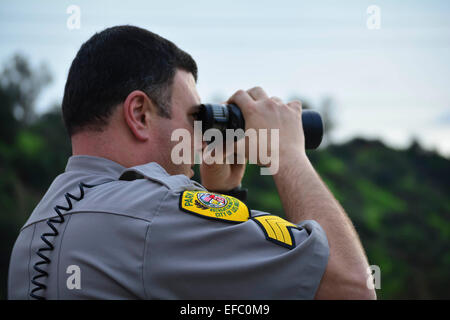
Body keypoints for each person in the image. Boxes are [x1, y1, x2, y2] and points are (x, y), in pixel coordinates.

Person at [8, 25, 375, 300]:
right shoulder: (154, 213)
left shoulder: (35, 230)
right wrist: (287, 152)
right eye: (193, 119)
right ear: (139, 114)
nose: (200, 140)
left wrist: (224, 195)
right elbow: (352, 287)